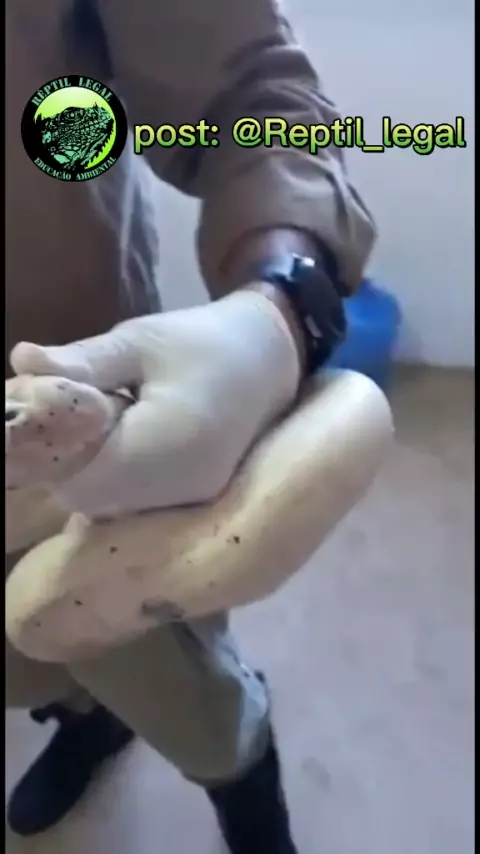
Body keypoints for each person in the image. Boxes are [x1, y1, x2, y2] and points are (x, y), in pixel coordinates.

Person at [5, 1, 376, 850]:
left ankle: (247, 791)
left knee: (163, 669)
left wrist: (280, 307)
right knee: (32, 654)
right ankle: (88, 722)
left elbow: (254, 93)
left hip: (89, 419)